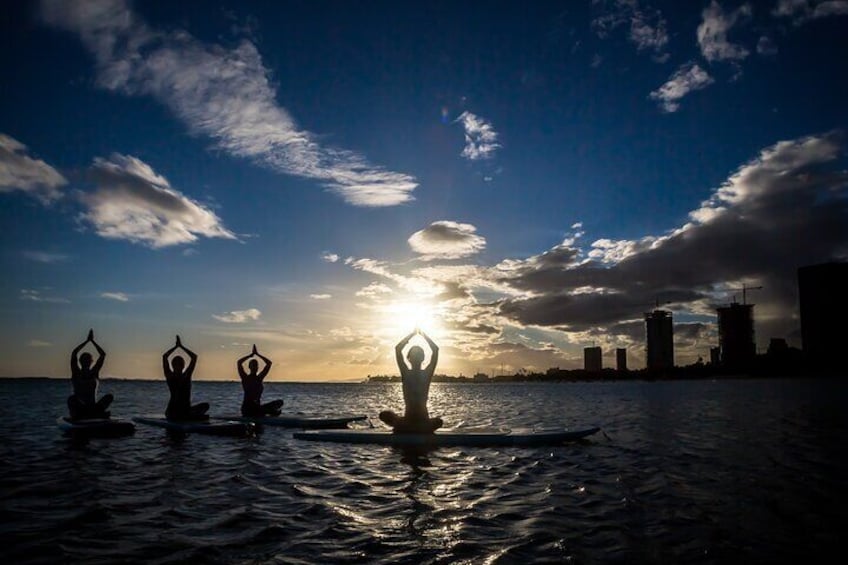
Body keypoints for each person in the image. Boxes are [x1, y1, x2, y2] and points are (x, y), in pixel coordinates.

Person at [379, 329, 444, 433]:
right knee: (384, 415)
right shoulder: (406, 373)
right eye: (415, 355)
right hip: (409, 420)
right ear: (409, 358)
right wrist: (413, 334)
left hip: (422, 421)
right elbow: (398, 349)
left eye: (419, 355)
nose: (417, 358)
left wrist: (422, 334)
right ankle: (412, 428)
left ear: (423, 358)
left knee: (438, 422)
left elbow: (435, 349)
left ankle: (409, 428)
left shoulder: (426, 374)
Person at [68, 329, 113, 420]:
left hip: (92, 407)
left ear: (91, 361)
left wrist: (92, 341)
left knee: (109, 397)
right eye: (84, 359)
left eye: (88, 359)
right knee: (71, 399)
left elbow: (102, 354)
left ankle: (93, 414)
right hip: (80, 408)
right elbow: (74, 353)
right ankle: (88, 414)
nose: (86, 361)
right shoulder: (76, 372)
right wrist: (86, 341)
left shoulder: (94, 372)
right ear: (80, 361)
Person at [162, 335, 209, 421]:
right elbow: (164, 357)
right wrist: (177, 347)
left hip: (184, 410)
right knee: (201, 415)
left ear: (183, 366)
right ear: (173, 366)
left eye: (180, 364)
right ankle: (191, 416)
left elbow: (194, 357)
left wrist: (180, 346)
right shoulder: (170, 376)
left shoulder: (186, 375)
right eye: (177, 365)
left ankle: (190, 416)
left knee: (206, 405)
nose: (178, 367)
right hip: (173, 412)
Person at [237, 344, 283, 417]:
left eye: (256, 365)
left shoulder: (259, 378)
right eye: (253, 365)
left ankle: (268, 412)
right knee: (270, 411)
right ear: (249, 367)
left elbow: (269, 363)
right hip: (247, 409)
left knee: (280, 402)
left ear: (258, 367)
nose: (255, 367)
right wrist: (250, 355)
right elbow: (239, 362)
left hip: (257, 408)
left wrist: (258, 354)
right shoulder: (245, 378)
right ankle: (270, 412)